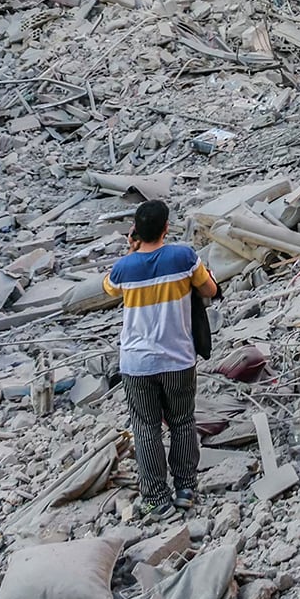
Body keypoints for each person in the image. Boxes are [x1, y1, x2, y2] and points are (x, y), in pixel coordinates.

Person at [104, 198, 215, 513]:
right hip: (178, 358)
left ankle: (155, 498)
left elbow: (111, 290)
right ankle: (185, 489)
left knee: (145, 427)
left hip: (137, 363)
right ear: (166, 228)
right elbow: (209, 289)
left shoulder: (122, 268)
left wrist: (131, 249)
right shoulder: (184, 257)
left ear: (135, 231)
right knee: (182, 421)